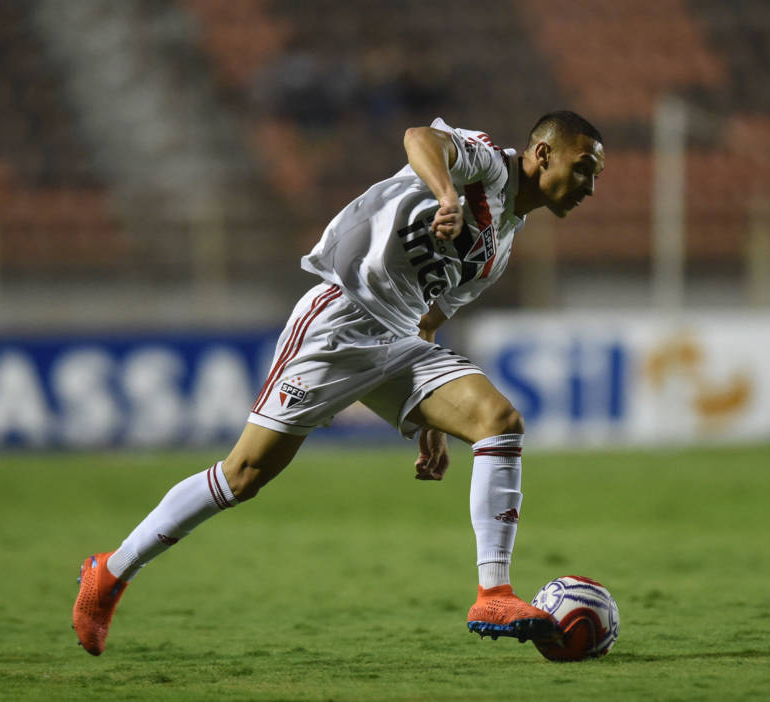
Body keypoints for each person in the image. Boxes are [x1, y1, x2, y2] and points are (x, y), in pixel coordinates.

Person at [72, 110, 605, 655]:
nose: (590, 186)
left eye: (596, 176)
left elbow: (430, 317)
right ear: (543, 154)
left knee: (499, 421)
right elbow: (419, 138)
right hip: (340, 319)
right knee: (243, 475)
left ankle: (494, 593)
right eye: (584, 167)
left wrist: (434, 422)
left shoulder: (500, 247)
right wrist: (446, 194)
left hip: (400, 339)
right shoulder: (486, 165)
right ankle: (110, 572)